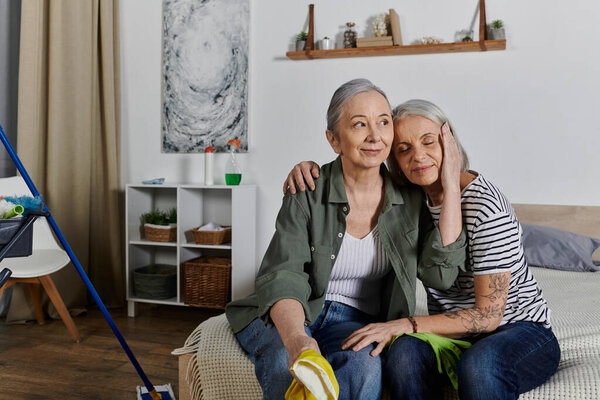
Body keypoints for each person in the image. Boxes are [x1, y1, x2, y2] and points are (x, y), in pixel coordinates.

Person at [284, 99, 561, 400]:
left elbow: (489, 316)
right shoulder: (409, 199)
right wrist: (310, 170)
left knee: (480, 365)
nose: (418, 156)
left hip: (519, 331)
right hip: (453, 336)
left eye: (429, 141)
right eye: (403, 149)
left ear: (449, 142)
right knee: (403, 353)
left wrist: (404, 324)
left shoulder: (487, 208)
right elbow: (356, 171)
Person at [226, 81, 468, 400]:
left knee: (364, 368)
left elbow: (442, 275)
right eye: (359, 124)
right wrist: (298, 338)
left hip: (354, 319)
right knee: (284, 363)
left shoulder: (410, 199)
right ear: (334, 139)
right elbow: (284, 275)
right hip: (292, 311)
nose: (374, 135)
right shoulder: (308, 190)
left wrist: (451, 185)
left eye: (383, 122)